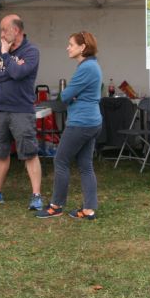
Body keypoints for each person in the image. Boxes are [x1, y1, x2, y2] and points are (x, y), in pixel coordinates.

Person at [0, 14, 44, 210]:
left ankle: (36, 195)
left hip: (21, 110)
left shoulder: (31, 51)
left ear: (16, 31)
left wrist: (6, 57)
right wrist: (9, 70)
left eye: (4, 29)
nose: (2, 33)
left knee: (29, 152)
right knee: (0, 152)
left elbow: (19, 73)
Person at [36, 31, 102, 221]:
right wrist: (73, 94)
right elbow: (70, 94)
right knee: (85, 165)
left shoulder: (86, 68)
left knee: (61, 161)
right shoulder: (91, 65)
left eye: (71, 44)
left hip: (81, 123)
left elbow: (64, 96)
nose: (68, 47)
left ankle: (56, 205)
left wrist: (72, 95)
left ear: (83, 47)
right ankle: (89, 209)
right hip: (91, 121)